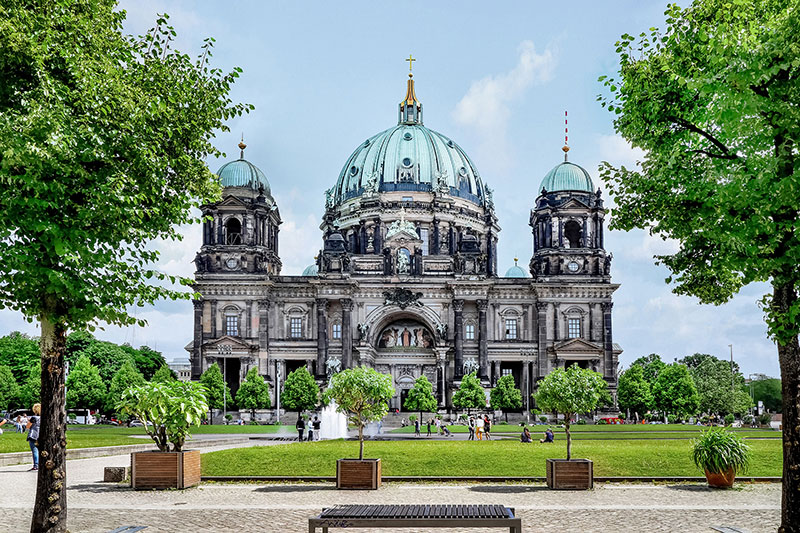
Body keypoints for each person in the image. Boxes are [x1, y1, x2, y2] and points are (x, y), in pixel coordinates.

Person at [27, 404, 41, 471]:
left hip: (33, 435)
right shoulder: (44, 418)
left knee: (35, 451)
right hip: (41, 435)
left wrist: (28, 421)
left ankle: (36, 465)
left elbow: (28, 426)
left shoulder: (34, 418)